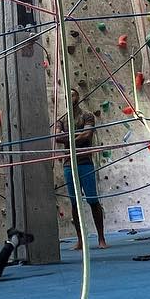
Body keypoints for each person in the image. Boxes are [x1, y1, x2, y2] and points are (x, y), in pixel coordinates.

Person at [57, 103, 107, 251]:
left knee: (93, 200)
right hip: (68, 164)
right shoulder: (61, 120)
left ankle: (101, 238)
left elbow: (87, 135)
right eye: (69, 95)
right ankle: (80, 240)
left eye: (74, 94)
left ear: (78, 98)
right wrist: (76, 137)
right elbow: (57, 137)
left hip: (85, 162)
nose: (71, 97)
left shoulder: (87, 115)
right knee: (74, 203)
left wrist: (68, 138)